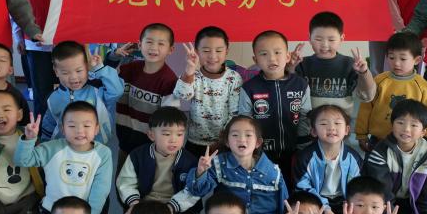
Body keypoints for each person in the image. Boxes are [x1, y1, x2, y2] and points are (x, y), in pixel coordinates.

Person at [15, 102, 113, 214]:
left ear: (96, 128)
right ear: (63, 129)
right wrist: (29, 140)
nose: (79, 131)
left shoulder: (103, 153)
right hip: (51, 212)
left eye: (86, 126)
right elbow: (22, 161)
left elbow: (101, 187)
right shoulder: (52, 148)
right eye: (72, 126)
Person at [183, 115, 288, 214]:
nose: (241, 139)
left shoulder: (272, 172)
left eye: (248, 135)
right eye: (235, 135)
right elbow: (197, 190)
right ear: (227, 142)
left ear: (258, 142)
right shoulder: (218, 163)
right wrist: (200, 172)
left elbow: (284, 205)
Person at [238, 29, 311, 187]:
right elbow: (245, 121)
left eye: (277, 52)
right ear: (255, 60)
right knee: (265, 190)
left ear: (287, 56)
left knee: (292, 190)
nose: (271, 58)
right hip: (261, 154)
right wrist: (251, 149)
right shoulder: (249, 88)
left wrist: (302, 147)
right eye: (264, 54)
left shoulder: (301, 84)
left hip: (294, 153)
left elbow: (305, 117)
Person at [116, 107, 199, 214]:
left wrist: (172, 206)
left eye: (179, 134)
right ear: (151, 135)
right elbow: (126, 182)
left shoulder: (190, 161)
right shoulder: (138, 155)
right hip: (144, 203)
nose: (173, 140)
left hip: (175, 206)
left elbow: (192, 191)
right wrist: (134, 203)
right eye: (166, 134)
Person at [355, 31, 427, 152]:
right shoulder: (379, 80)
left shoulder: (423, 87)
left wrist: (426, 142)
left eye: (403, 58)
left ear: (417, 60)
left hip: (409, 144)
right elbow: (366, 107)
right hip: (379, 141)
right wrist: (361, 134)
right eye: (391, 57)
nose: (396, 63)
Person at [173, 26, 242, 157]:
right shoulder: (194, 75)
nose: (212, 56)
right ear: (197, 51)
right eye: (206, 50)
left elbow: (235, 112)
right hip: (195, 141)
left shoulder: (233, 78)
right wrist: (189, 70)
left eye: (219, 50)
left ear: (227, 51)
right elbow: (181, 95)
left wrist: (223, 139)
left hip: (223, 143)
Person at [290, 12, 376, 115]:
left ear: (341, 39)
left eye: (331, 40)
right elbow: (289, 93)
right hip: (308, 123)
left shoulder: (350, 65)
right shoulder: (302, 64)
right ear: (309, 38)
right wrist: (291, 67)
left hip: (340, 124)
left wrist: (364, 73)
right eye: (318, 39)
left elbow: (367, 97)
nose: (325, 45)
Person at [115, 23, 179, 161]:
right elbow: (103, 79)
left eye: (161, 43)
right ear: (140, 44)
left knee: (144, 174)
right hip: (124, 139)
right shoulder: (129, 69)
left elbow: (169, 119)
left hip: (150, 148)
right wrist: (115, 55)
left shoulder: (169, 81)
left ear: (170, 49)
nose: (154, 47)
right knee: (122, 173)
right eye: (149, 42)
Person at [295, 104, 364, 214]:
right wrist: (325, 208)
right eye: (323, 124)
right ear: (314, 131)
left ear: (346, 130)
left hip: (345, 201)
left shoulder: (353, 157)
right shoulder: (306, 157)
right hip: (315, 200)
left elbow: (357, 186)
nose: (331, 128)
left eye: (337, 123)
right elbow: (302, 188)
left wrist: (349, 207)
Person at [44, 40, 123, 143]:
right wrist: (45, 144)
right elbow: (49, 125)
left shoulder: (97, 92)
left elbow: (117, 91)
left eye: (79, 71)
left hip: (96, 147)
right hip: (64, 148)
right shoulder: (53, 98)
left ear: (87, 67)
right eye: (65, 73)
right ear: (56, 72)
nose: (73, 77)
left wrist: (100, 69)